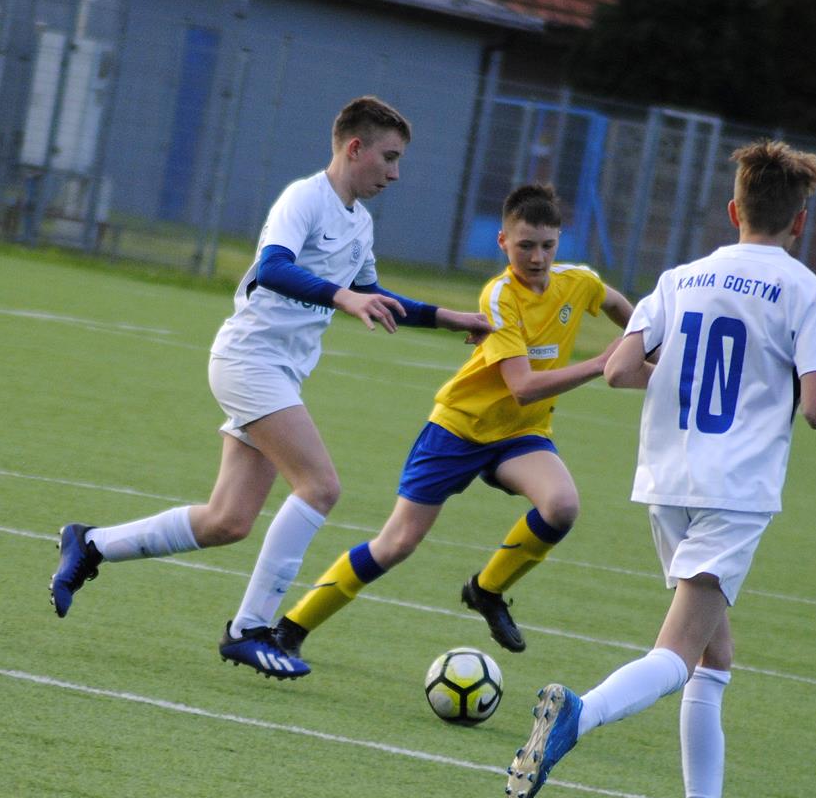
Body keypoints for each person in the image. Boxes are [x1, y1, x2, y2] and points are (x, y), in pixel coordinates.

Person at [503, 140, 816, 798]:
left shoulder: (680, 277)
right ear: (801, 221)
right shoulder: (804, 290)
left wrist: (682, 381)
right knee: (676, 653)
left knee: (712, 662)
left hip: (667, 480)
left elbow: (621, 369)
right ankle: (578, 715)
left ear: (734, 210)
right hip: (736, 490)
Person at [48, 96, 492, 679]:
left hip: (278, 372)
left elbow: (376, 297)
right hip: (248, 360)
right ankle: (250, 628)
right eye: (388, 157)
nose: (395, 173)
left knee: (226, 521)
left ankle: (90, 544)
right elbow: (273, 266)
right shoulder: (303, 199)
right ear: (353, 147)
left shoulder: (359, 222)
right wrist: (342, 295)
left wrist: (447, 318)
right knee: (320, 486)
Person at [271, 184, 633, 658]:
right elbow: (522, 385)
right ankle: (292, 628)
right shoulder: (500, 296)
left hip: (520, 433)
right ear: (503, 242)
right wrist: (600, 363)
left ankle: (485, 590)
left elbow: (620, 306)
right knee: (398, 542)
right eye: (525, 246)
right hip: (459, 429)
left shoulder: (577, 281)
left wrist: (646, 342)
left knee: (561, 505)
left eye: (547, 245)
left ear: (559, 240)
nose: (538, 258)